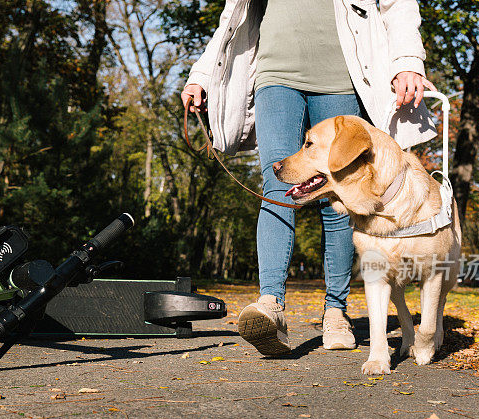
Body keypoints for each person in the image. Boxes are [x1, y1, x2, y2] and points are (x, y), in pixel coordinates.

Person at [181, 0, 436, 355]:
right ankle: (270, 304)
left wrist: (407, 61)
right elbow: (232, 16)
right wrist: (202, 76)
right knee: (277, 185)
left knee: (340, 193)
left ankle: (336, 311)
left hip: (342, 76)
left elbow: (398, 4)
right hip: (274, 76)